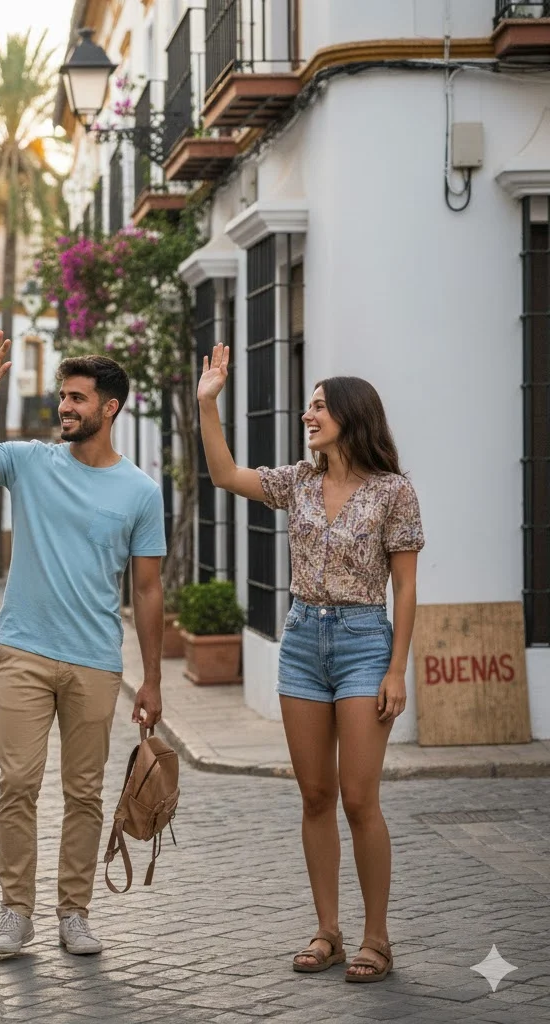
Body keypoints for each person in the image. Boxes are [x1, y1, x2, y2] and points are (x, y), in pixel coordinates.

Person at [0, 332, 167, 958]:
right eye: (62, 396)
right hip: (24, 652)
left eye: (77, 398)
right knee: (17, 783)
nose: (65, 407)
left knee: (84, 793)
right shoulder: (30, 462)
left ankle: (74, 912)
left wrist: (152, 679)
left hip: (95, 661)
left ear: (109, 407)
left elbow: (147, 590)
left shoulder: (141, 493)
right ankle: (16, 911)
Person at [196, 343, 423, 984]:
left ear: (352, 415)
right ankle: (328, 930)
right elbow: (225, 475)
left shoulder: (393, 492)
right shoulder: (298, 481)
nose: (308, 413)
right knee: (316, 796)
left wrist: (396, 668)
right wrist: (208, 403)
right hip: (301, 639)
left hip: (362, 641)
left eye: (320, 405)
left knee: (358, 798)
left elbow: (404, 586)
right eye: (309, 404)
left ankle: (377, 938)